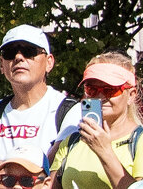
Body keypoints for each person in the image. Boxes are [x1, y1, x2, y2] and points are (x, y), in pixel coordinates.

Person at [0, 25, 80, 189]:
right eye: (10, 53)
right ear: (1, 64)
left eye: (29, 51)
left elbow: (54, 178)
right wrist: (28, 170)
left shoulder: (69, 111)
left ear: (49, 62)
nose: (19, 57)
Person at [49, 53, 143, 189]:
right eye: (92, 90)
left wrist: (104, 151)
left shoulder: (139, 141)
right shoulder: (71, 142)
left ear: (131, 95)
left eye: (110, 90)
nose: (101, 96)